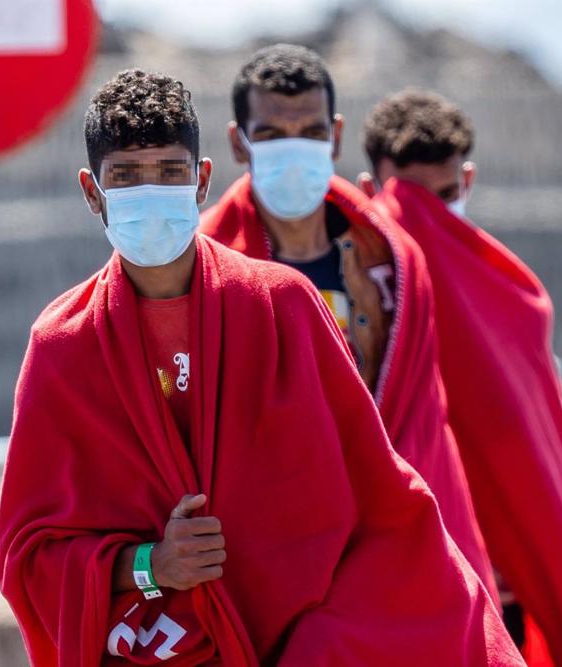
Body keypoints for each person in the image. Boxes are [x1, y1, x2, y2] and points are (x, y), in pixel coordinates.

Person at [0, 69, 522, 665]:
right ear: (93, 192)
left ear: (201, 182)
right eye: (126, 177)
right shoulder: (63, 344)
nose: (150, 192)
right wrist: (151, 566)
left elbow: (375, 499)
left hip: (295, 641)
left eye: (169, 173)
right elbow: (29, 557)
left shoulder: (282, 306)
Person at [199, 44, 497, 604]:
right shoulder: (207, 266)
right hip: (278, 555)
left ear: (335, 136)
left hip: (396, 534)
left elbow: (422, 420)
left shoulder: (392, 259)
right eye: (271, 135)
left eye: (310, 133)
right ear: (239, 142)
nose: (295, 151)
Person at [360, 89, 562, 667]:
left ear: (469, 181)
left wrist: (525, 551)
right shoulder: (350, 304)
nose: (428, 221)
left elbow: (537, 454)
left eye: (445, 196)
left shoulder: (508, 294)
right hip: (407, 572)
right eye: (412, 201)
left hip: (504, 580)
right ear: (368, 192)